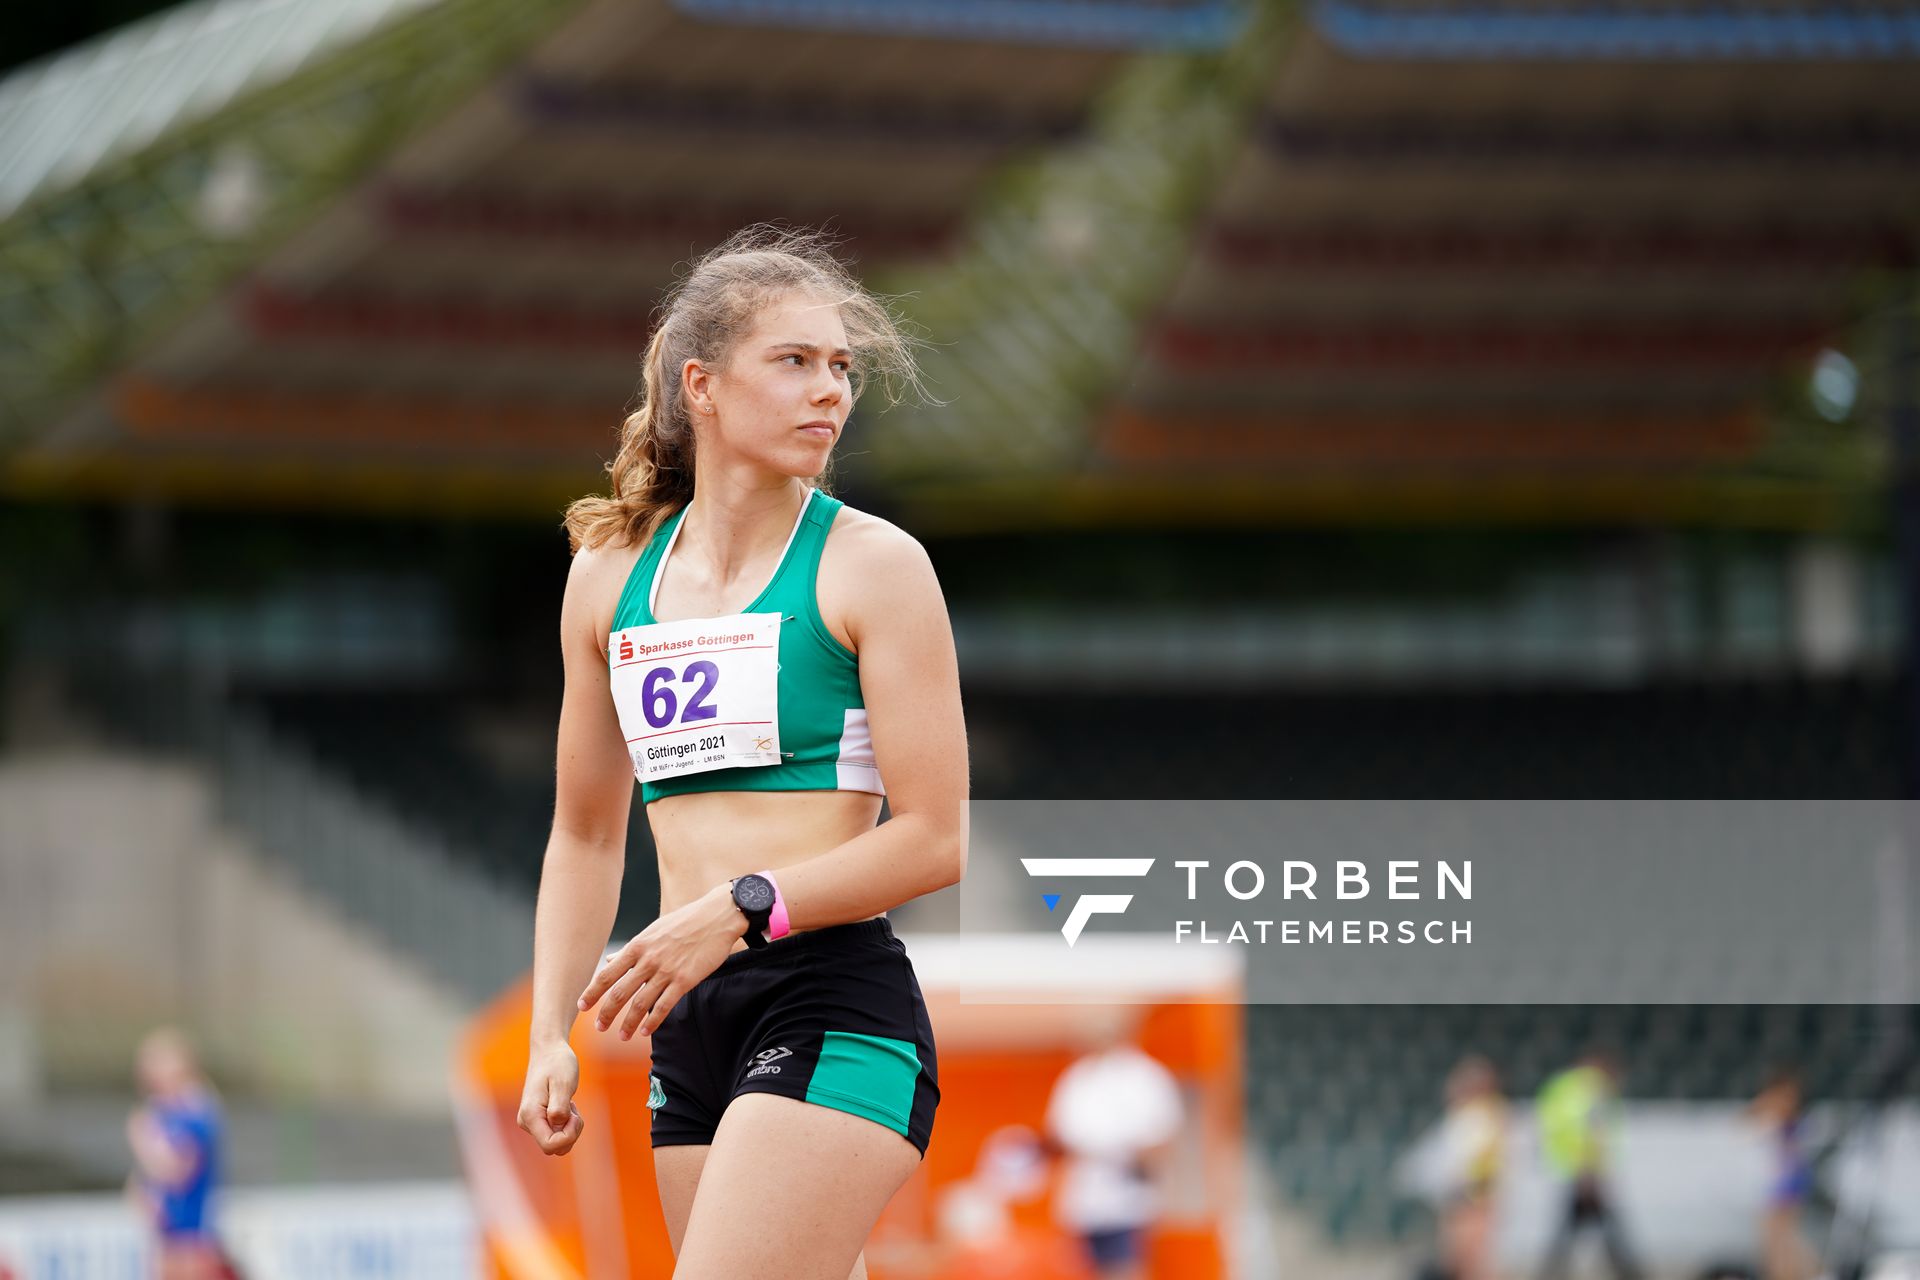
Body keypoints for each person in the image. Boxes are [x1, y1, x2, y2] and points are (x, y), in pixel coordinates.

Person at [515, 225, 968, 1280]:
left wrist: (739, 906)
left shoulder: (874, 566)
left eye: (842, 366)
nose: (831, 392)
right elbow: (585, 833)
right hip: (689, 1024)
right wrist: (550, 1028)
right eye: (795, 361)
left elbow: (938, 838)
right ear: (702, 386)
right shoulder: (608, 576)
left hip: (830, 999)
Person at [1042, 1011, 1183, 1280]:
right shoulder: (1077, 1078)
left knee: (1124, 1270)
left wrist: (1126, 1154)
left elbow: (1163, 1139)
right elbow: (1057, 1137)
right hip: (1084, 1201)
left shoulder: (1144, 1077)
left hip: (1128, 1198)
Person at [125, 1027, 225, 1280]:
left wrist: (142, 1140)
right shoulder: (164, 1113)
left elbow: (178, 1170)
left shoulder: (195, 1111)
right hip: (169, 1240)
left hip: (191, 1244)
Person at [1536, 1050, 1641, 1280]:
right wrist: (1588, 1174)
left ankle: (1549, 1273)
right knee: (1607, 1231)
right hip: (1584, 1175)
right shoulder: (1594, 1089)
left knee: (1571, 1232)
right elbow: (1593, 1132)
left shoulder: (1563, 1087)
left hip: (1565, 1170)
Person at [1434, 1055, 1506, 1280]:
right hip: (1463, 1195)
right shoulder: (1464, 1117)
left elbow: (1482, 1162)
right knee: (1458, 1259)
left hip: (1473, 1197)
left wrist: (1471, 1191)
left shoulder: (1482, 1117)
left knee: (1470, 1260)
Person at [1749, 1066, 1818, 1280]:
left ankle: (1802, 1273)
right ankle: (1788, 1273)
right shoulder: (1783, 1112)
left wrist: (1768, 1102)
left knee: (1781, 1236)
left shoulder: (1786, 1112)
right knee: (1777, 1236)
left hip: (1789, 1179)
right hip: (1785, 1179)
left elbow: (1753, 1119)